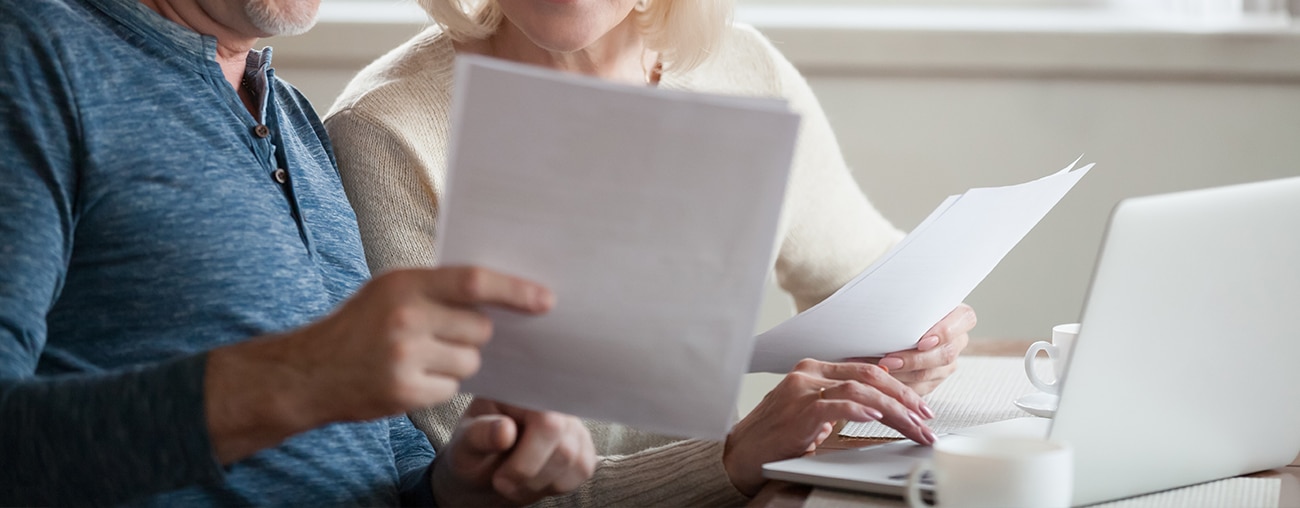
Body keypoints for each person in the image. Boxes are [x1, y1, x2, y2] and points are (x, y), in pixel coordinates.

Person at [323, 0, 979, 504]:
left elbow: (859, 272)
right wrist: (731, 459)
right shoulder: (385, 132)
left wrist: (925, 327)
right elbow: (475, 490)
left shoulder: (740, 69)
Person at [0, 0, 599, 505]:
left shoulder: (293, 115)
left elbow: (382, 461)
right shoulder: (30, 56)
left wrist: (460, 483)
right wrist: (299, 377)